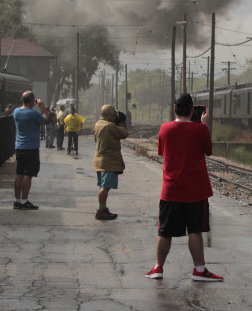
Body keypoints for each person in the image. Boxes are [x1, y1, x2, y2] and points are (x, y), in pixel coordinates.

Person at [146, 93, 223, 282]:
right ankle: (199, 269)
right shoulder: (200, 130)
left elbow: (162, 152)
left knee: (164, 231)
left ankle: (158, 268)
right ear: (192, 110)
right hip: (195, 190)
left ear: (174, 110)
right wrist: (205, 125)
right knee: (195, 230)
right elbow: (208, 151)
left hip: (171, 189)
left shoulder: (164, 129)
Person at [12, 91, 49, 210]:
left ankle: (17, 200)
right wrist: (42, 108)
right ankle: (24, 201)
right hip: (31, 147)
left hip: (19, 146)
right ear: (32, 101)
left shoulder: (16, 112)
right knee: (28, 174)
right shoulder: (33, 114)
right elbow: (46, 120)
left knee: (19, 173)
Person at [93, 105, 128, 221]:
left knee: (103, 187)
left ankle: (102, 208)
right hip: (109, 161)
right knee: (105, 187)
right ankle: (101, 211)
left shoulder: (98, 124)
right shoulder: (109, 126)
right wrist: (122, 123)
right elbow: (123, 134)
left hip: (99, 160)